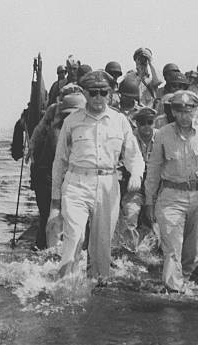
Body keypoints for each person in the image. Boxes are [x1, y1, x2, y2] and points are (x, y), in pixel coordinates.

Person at [52, 70, 145, 278]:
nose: (98, 97)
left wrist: (136, 174)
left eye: (103, 92)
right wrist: (54, 203)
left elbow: (134, 155)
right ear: (84, 93)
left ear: (110, 93)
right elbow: (59, 162)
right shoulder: (72, 121)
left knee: (102, 244)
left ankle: (98, 284)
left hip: (108, 184)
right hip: (76, 183)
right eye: (93, 92)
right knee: (74, 236)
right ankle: (65, 285)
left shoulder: (120, 121)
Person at [144, 90, 198, 293]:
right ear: (172, 112)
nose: (184, 116)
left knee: (193, 251)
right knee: (172, 248)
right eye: (179, 111)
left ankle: (181, 280)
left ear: (196, 110)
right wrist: (149, 201)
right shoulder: (163, 134)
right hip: (171, 196)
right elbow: (154, 170)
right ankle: (173, 291)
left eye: (188, 110)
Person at [30, 93, 86, 250]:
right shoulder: (58, 130)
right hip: (50, 179)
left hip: (63, 179)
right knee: (49, 218)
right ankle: (46, 252)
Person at [117, 107, 157, 253]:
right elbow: (121, 162)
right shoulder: (129, 139)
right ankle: (129, 251)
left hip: (158, 187)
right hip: (135, 186)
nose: (146, 126)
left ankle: (154, 251)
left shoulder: (162, 138)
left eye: (150, 122)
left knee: (158, 219)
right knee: (130, 213)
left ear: (154, 123)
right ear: (137, 124)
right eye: (142, 122)